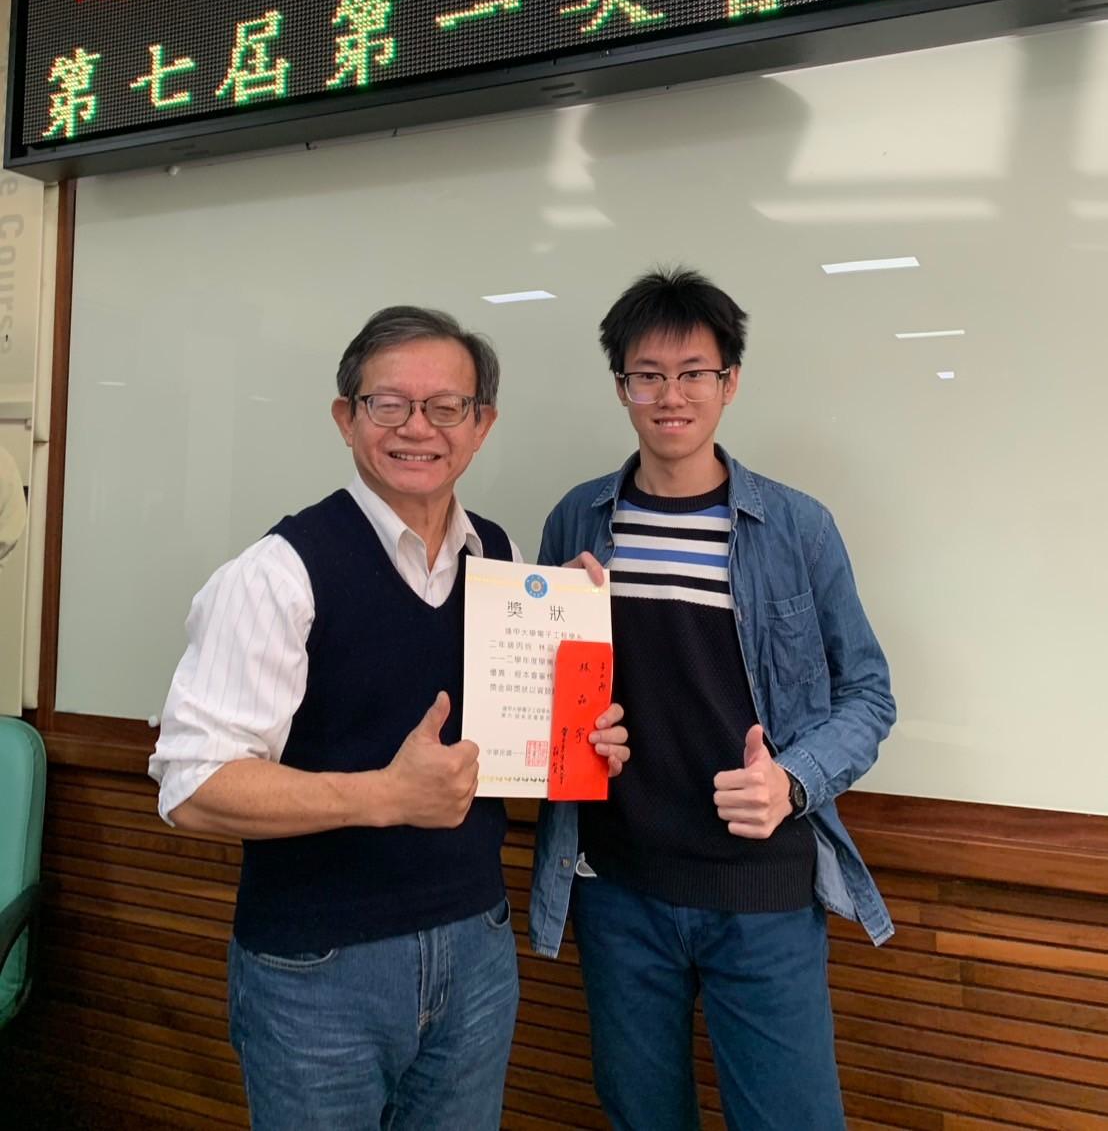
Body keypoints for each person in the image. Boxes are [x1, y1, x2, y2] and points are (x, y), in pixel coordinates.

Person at [149, 306, 628, 1131]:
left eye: (446, 406)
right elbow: (192, 786)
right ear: (347, 417)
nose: (418, 427)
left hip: (478, 947)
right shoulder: (279, 572)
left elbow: (505, 752)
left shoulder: (501, 560)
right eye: (389, 403)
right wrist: (385, 795)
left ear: (481, 426)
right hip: (317, 968)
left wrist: (582, 732)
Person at [532, 268, 895, 1131]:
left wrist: (792, 780)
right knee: (642, 1115)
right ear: (621, 385)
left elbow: (869, 694)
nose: (671, 395)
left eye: (694, 372)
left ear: (730, 381)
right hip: (617, 886)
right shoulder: (578, 519)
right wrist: (576, 723)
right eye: (648, 375)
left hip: (763, 892)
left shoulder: (797, 526)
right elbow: (540, 700)